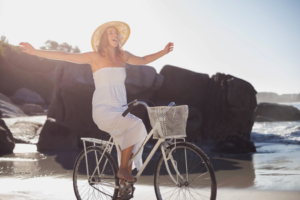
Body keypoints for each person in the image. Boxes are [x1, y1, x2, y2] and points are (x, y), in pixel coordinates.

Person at [19, 21, 173, 185]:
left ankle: (123, 186)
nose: (115, 35)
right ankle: (122, 170)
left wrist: (163, 52)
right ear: (105, 38)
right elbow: (65, 56)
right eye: (110, 33)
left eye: (116, 33)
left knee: (136, 129)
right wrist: (35, 51)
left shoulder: (123, 55)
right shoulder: (95, 57)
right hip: (104, 110)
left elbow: (143, 59)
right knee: (137, 124)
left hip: (121, 110)